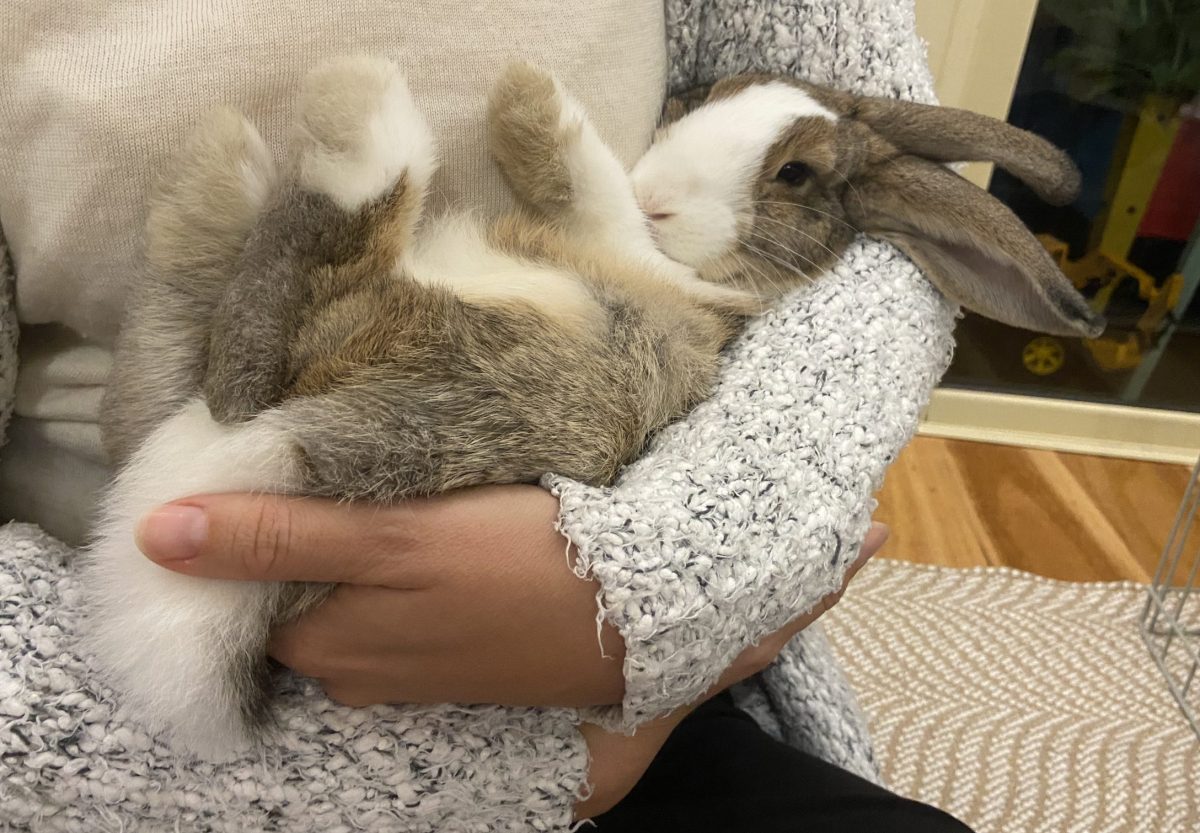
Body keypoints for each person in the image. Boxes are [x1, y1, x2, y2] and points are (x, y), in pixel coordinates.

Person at [0, 0, 975, 828]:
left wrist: (658, 587)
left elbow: (871, 223)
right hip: (96, 658)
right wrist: (557, 764)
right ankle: (237, 281)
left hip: (597, 621)